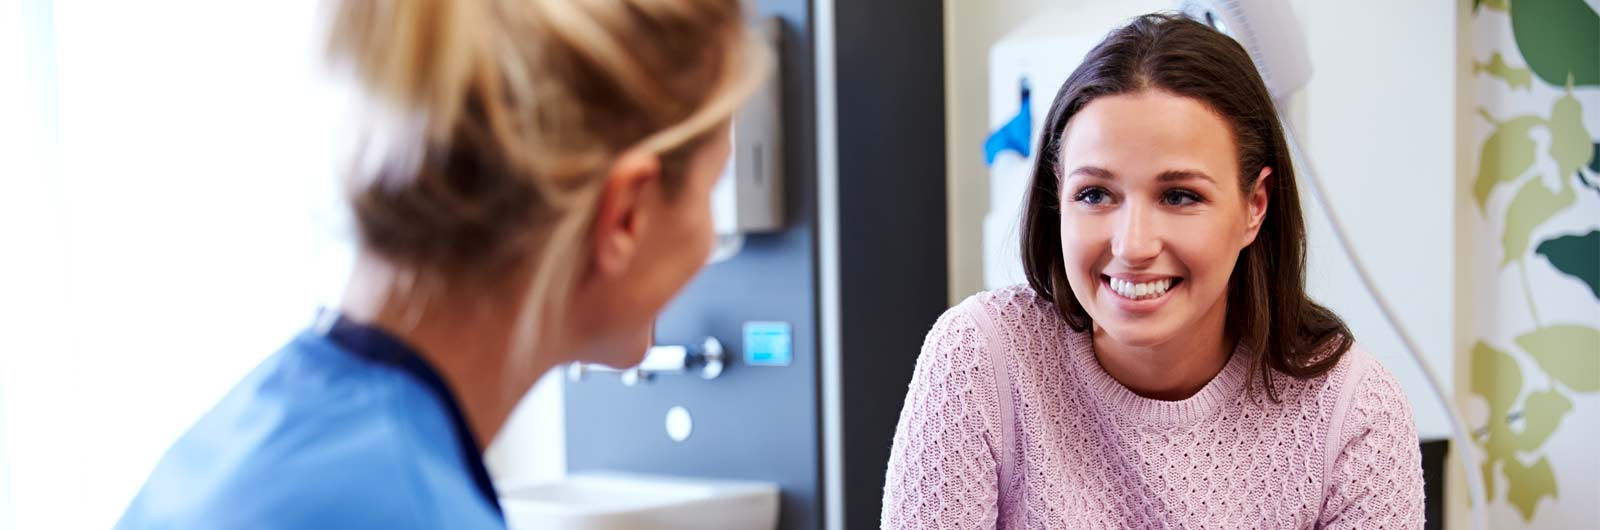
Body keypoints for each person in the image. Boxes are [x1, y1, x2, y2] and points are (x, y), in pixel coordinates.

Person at [116, 0, 769, 528]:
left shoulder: (244, 440)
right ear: (626, 215)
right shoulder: (406, 505)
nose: (710, 245)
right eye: (711, 189)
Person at [882, 13, 1424, 529]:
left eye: (1179, 195)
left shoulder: (1353, 413)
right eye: (1095, 194)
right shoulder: (982, 357)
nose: (1133, 244)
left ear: (1254, 206)